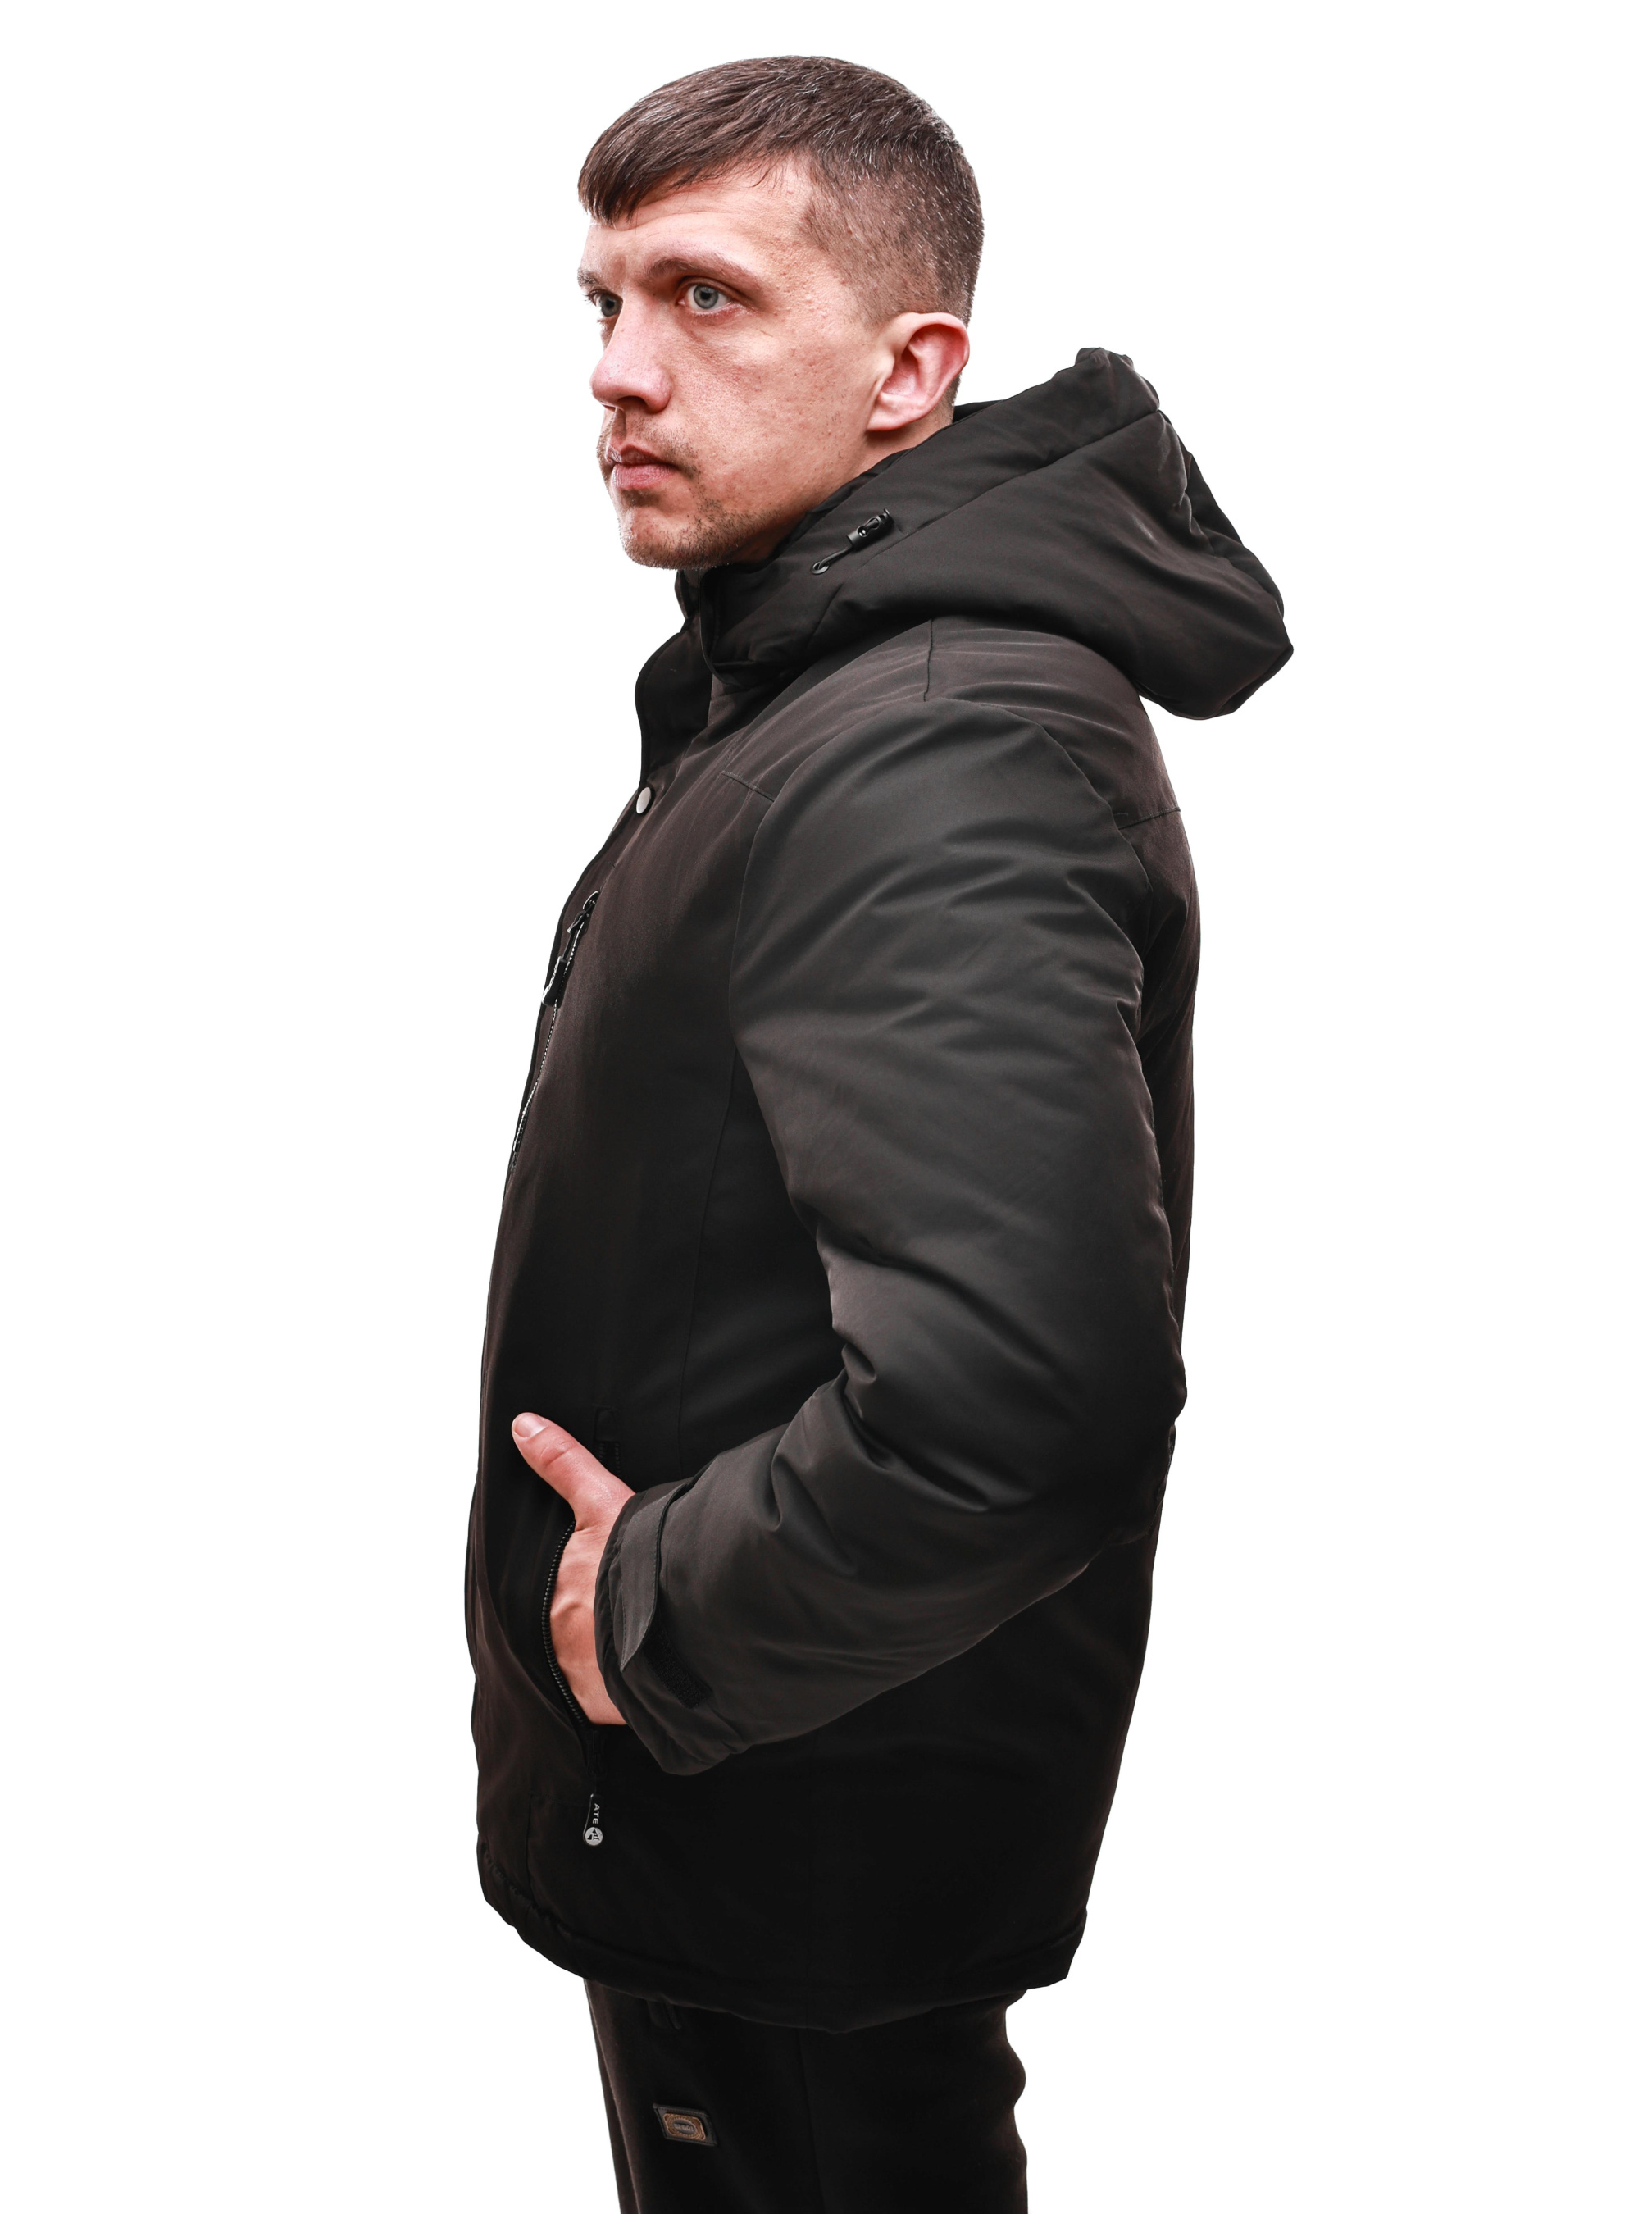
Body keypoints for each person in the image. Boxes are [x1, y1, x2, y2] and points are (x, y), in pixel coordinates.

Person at [466, 54, 1290, 2212]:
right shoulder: (819, 698)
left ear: (909, 371)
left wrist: (651, 1612)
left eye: (706, 298)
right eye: (602, 300)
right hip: (759, 1801)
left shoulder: (927, 744)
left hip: (787, 1798)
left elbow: (1021, 1405)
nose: (619, 369)